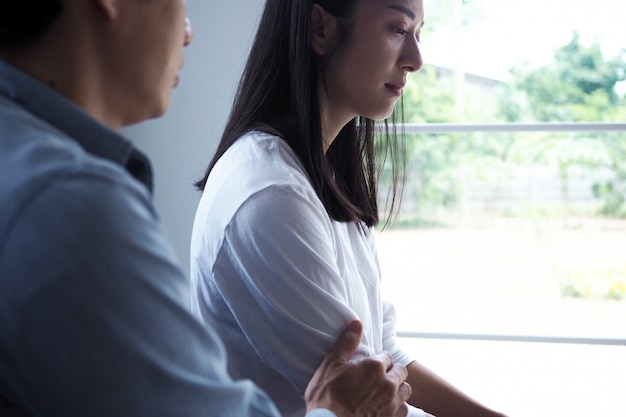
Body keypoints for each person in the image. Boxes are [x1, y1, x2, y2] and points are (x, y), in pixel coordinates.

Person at [0, 1, 413, 416]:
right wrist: (335, 411)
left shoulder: (32, 168)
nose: (188, 32)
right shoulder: (72, 204)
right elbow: (365, 387)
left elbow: (383, 362)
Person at [190, 0, 509, 417]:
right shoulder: (270, 195)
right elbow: (372, 398)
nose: (416, 59)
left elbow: (385, 356)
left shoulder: (322, 177)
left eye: (420, 33)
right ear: (320, 28)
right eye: (398, 29)